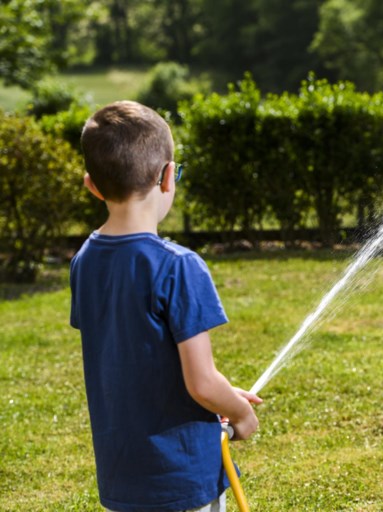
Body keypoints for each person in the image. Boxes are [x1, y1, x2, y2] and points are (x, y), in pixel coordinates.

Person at [69, 100, 261, 512]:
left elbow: (142, 359)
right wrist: (240, 413)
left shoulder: (85, 261)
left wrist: (226, 394)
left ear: (93, 185)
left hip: (123, 476)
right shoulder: (179, 267)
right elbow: (201, 383)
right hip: (181, 475)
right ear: (168, 177)